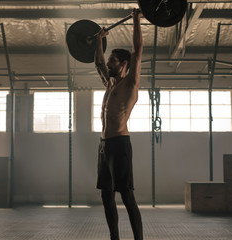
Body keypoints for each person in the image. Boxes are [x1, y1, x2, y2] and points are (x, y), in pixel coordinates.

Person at [94, 8, 143, 240]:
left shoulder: (130, 84)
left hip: (120, 145)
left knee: (126, 196)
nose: (109, 64)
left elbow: (137, 51)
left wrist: (135, 20)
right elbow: (98, 64)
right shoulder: (109, 84)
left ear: (124, 64)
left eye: (113, 60)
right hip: (104, 146)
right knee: (106, 197)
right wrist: (99, 41)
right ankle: (115, 238)